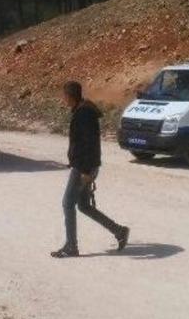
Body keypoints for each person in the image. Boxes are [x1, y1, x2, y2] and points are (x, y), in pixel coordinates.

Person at [51, 81, 130, 258]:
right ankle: (119, 231)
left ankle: (72, 246)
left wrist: (86, 171)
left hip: (83, 167)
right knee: (84, 206)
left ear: (70, 96)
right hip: (84, 165)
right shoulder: (82, 111)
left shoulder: (84, 114)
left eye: (64, 96)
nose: (63, 100)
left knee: (67, 203)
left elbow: (90, 144)